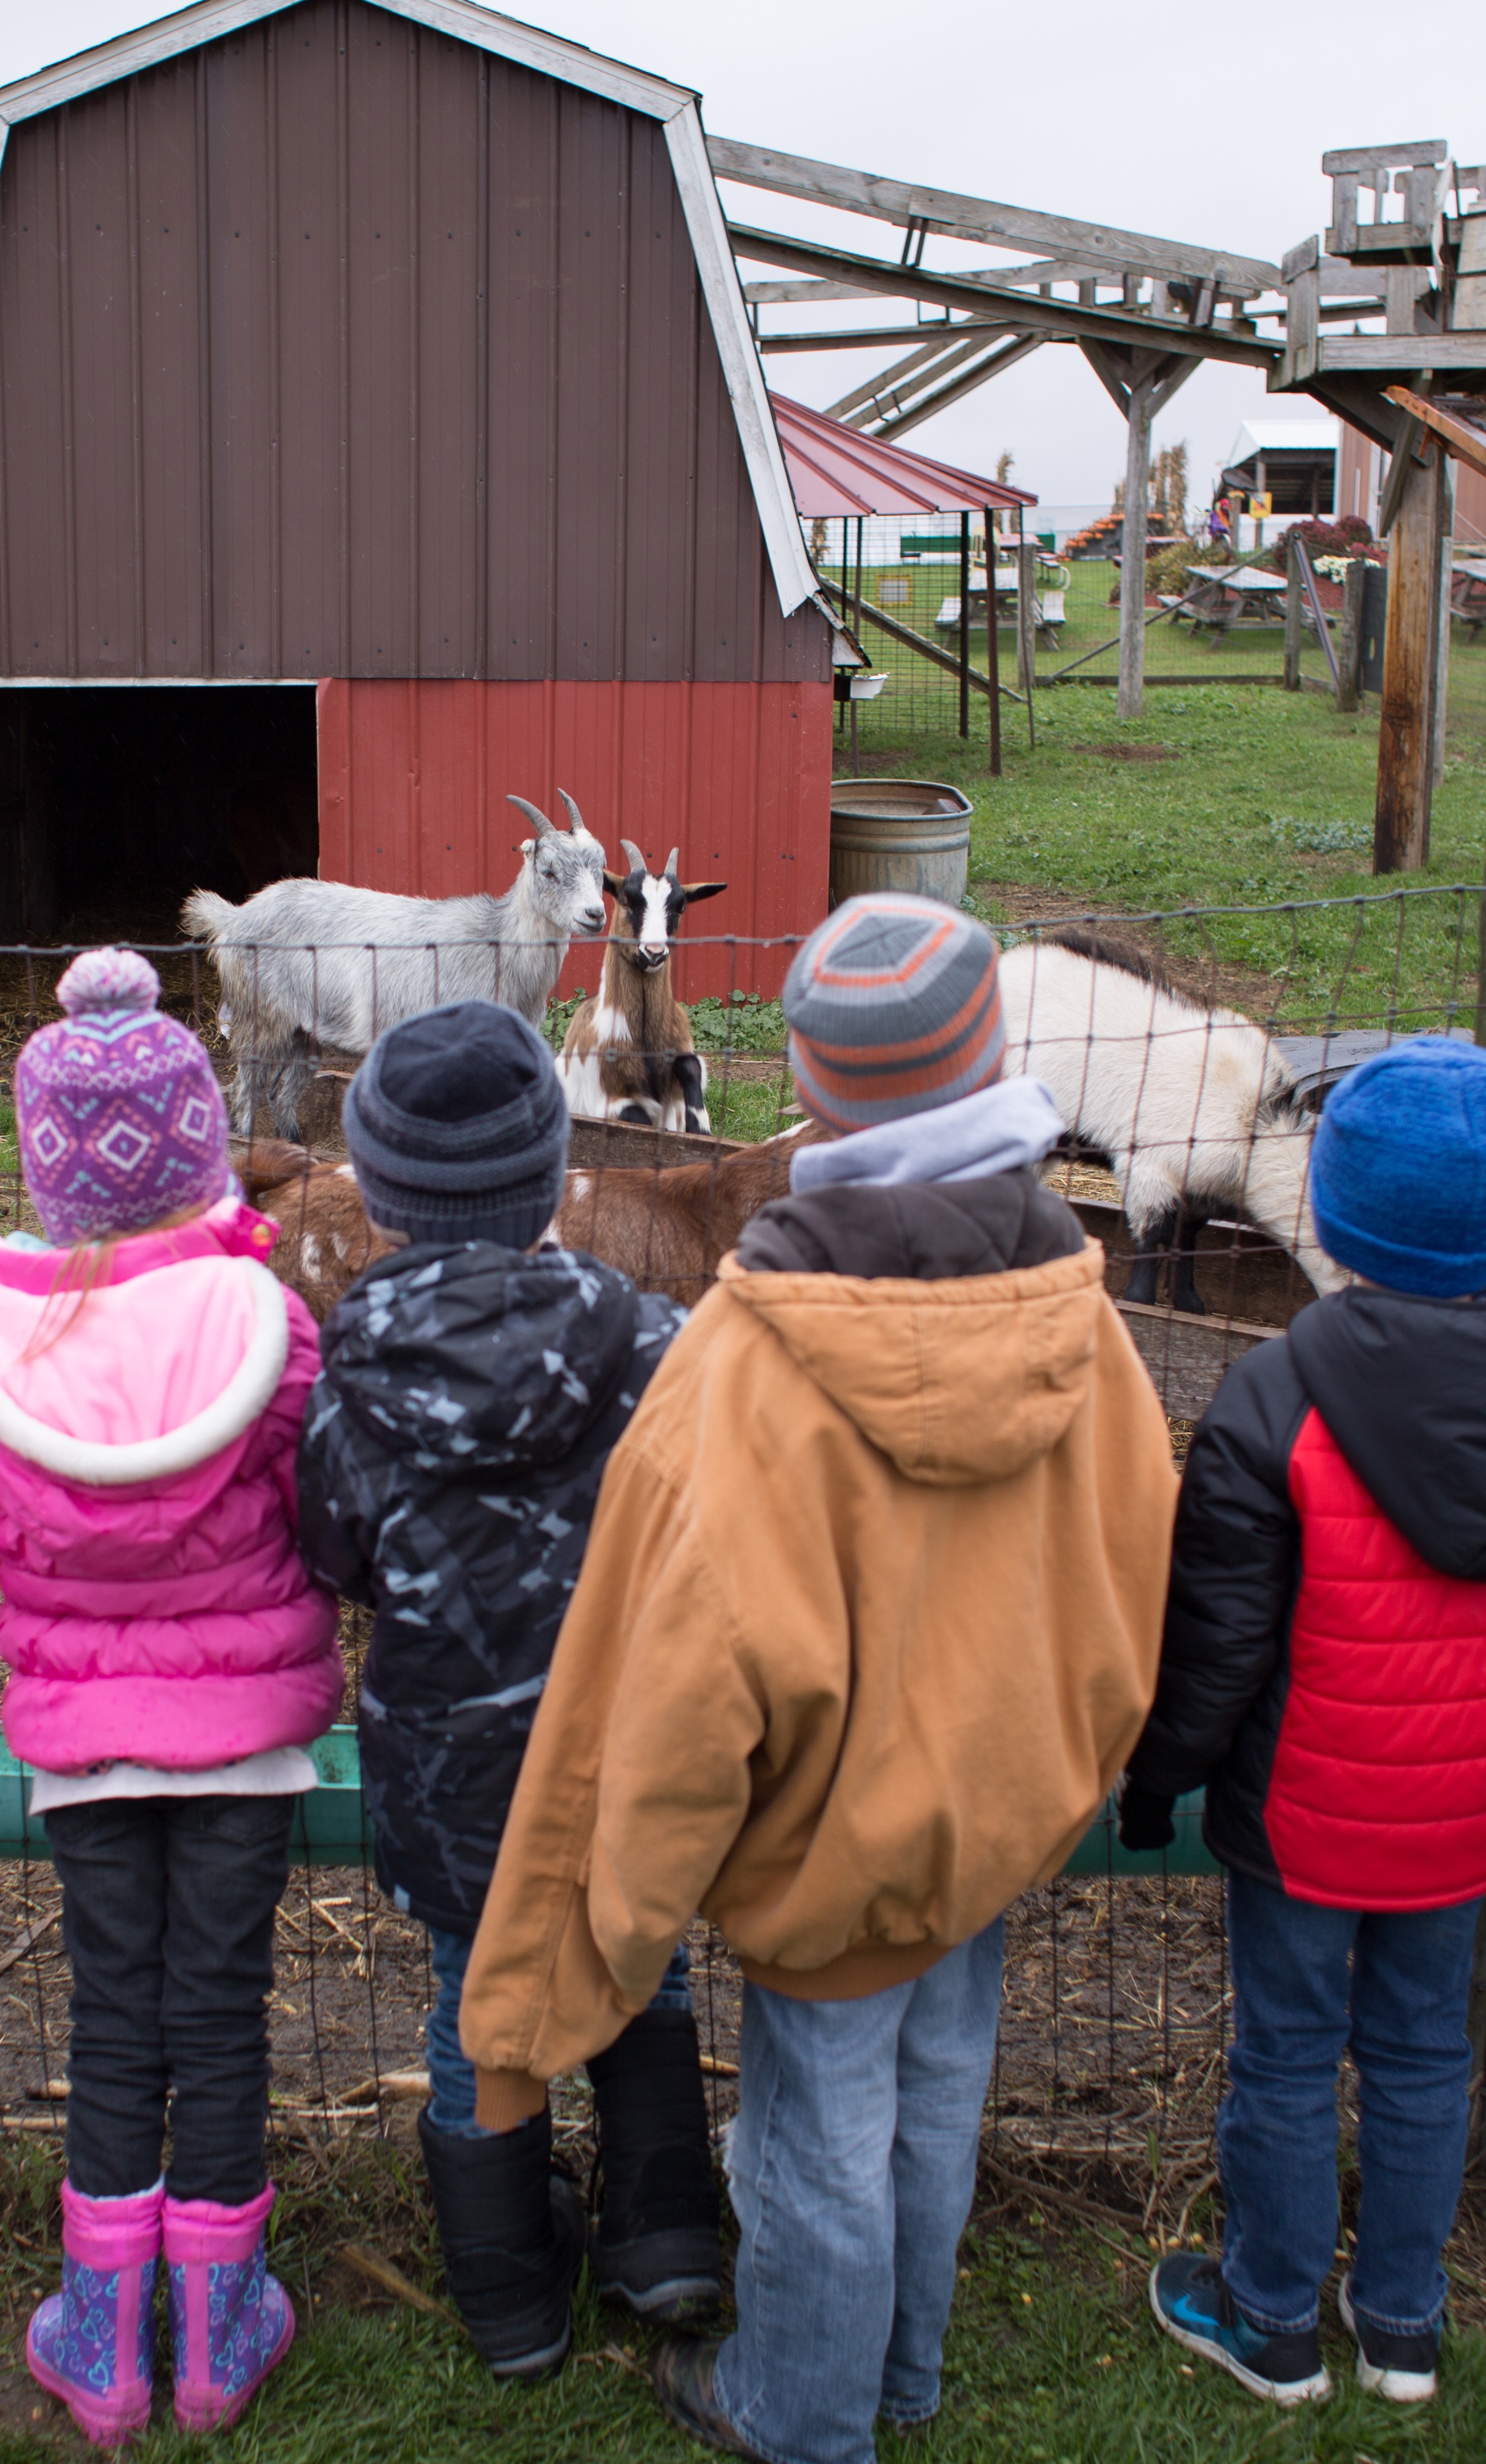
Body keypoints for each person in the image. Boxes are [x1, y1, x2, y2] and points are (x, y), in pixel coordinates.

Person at [460, 894, 1171, 2464]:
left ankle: (796, 2411)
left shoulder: (732, 1368)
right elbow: (1129, 1570)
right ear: (991, 1065)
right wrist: (1069, 1766)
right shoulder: (1084, 1322)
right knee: (934, 2102)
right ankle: (898, 2371)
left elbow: (655, 1704)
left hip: (821, 1859)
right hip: (988, 1829)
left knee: (814, 2146)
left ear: (805, 1082)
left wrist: (595, 1938)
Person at [1123, 1039, 1486, 2411]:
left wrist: (1158, 1779)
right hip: (1469, 1807)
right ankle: (1404, 2323)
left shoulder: (1277, 1393)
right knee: (1425, 2049)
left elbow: (1220, 1639)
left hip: (1304, 1812)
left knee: (1287, 2052)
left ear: (1338, 1210)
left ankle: (1274, 2317)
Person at [0, 948, 339, 2448]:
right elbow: (313, 1495)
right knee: (217, 2020)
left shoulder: (4, 1349)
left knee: (113, 2024)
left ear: (49, 1170)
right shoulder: (262, 1322)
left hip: (84, 1751)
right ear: (198, 1143)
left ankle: (98, 2341)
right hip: (241, 1748)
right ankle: (218, 2332)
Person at [293, 1002, 709, 2380]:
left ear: (383, 1193)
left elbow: (335, 1553)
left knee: (480, 2009)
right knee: (644, 1965)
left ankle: (511, 2298)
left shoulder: (351, 1381)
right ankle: (665, 2243)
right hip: (631, 1754)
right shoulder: (653, 1344)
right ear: (549, 1176)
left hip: (454, 1780)